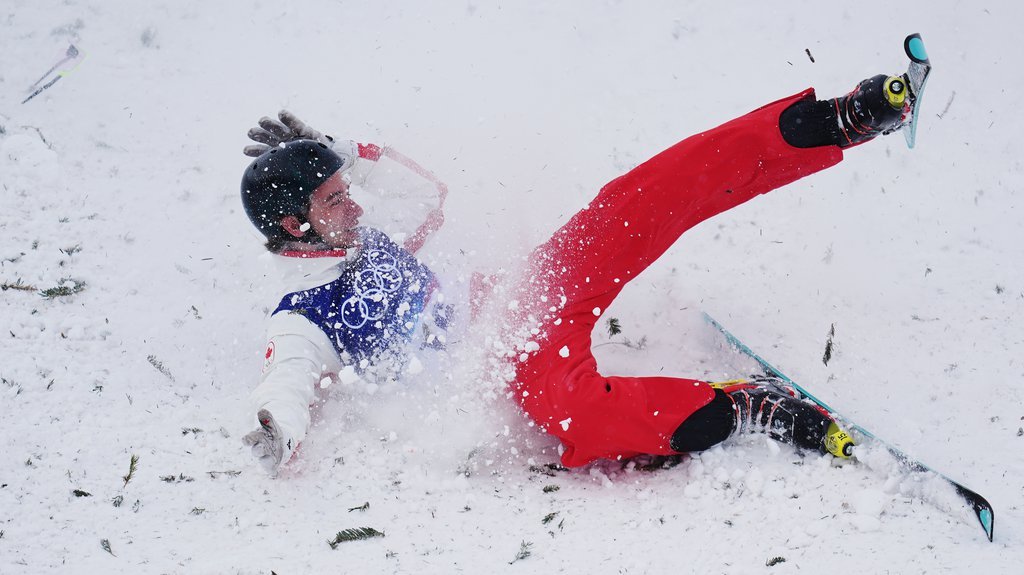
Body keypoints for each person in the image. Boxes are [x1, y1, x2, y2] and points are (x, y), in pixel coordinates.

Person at [240, 72, 913, 475]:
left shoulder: (365, 232)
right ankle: (743, 406)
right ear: (296, 226)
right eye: (333, 197)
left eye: (345, 189)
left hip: (518, 295)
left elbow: (427, 197)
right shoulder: (304, 316)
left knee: (631, 204)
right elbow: (287, 378)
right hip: (507, 366)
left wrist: (338, 154)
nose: (354, 201)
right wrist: (278, 425)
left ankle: (830, 124)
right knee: (583, 420)